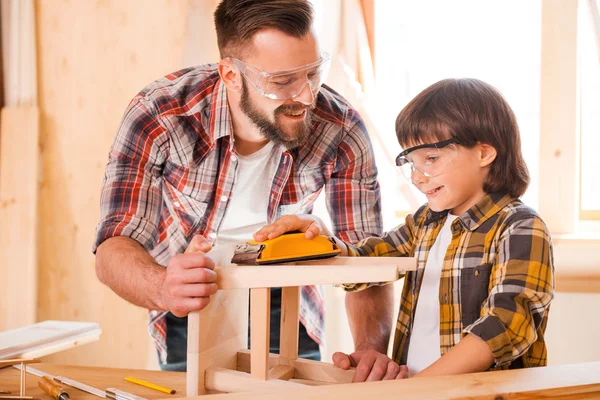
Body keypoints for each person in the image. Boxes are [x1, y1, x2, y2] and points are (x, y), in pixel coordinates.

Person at [92, 0, 382, 371]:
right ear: (230, 75)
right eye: (282, 82)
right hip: (192, 288)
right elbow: (114, 246)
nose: (307, 97)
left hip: (287, 292)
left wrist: (371, 349)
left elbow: (367, 256)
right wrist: (163, 286)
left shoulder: (340, 127)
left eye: (312, 74)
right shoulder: (161, 114)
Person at [254, 78, 555, 381]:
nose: (417, 177)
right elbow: (366, 262)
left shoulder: (520, 227)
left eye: (431, 159)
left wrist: (419, 387)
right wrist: (321, 239)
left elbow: (506, 325)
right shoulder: (425, 222)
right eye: (411, 162)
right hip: (411, 388)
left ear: (484, 153)